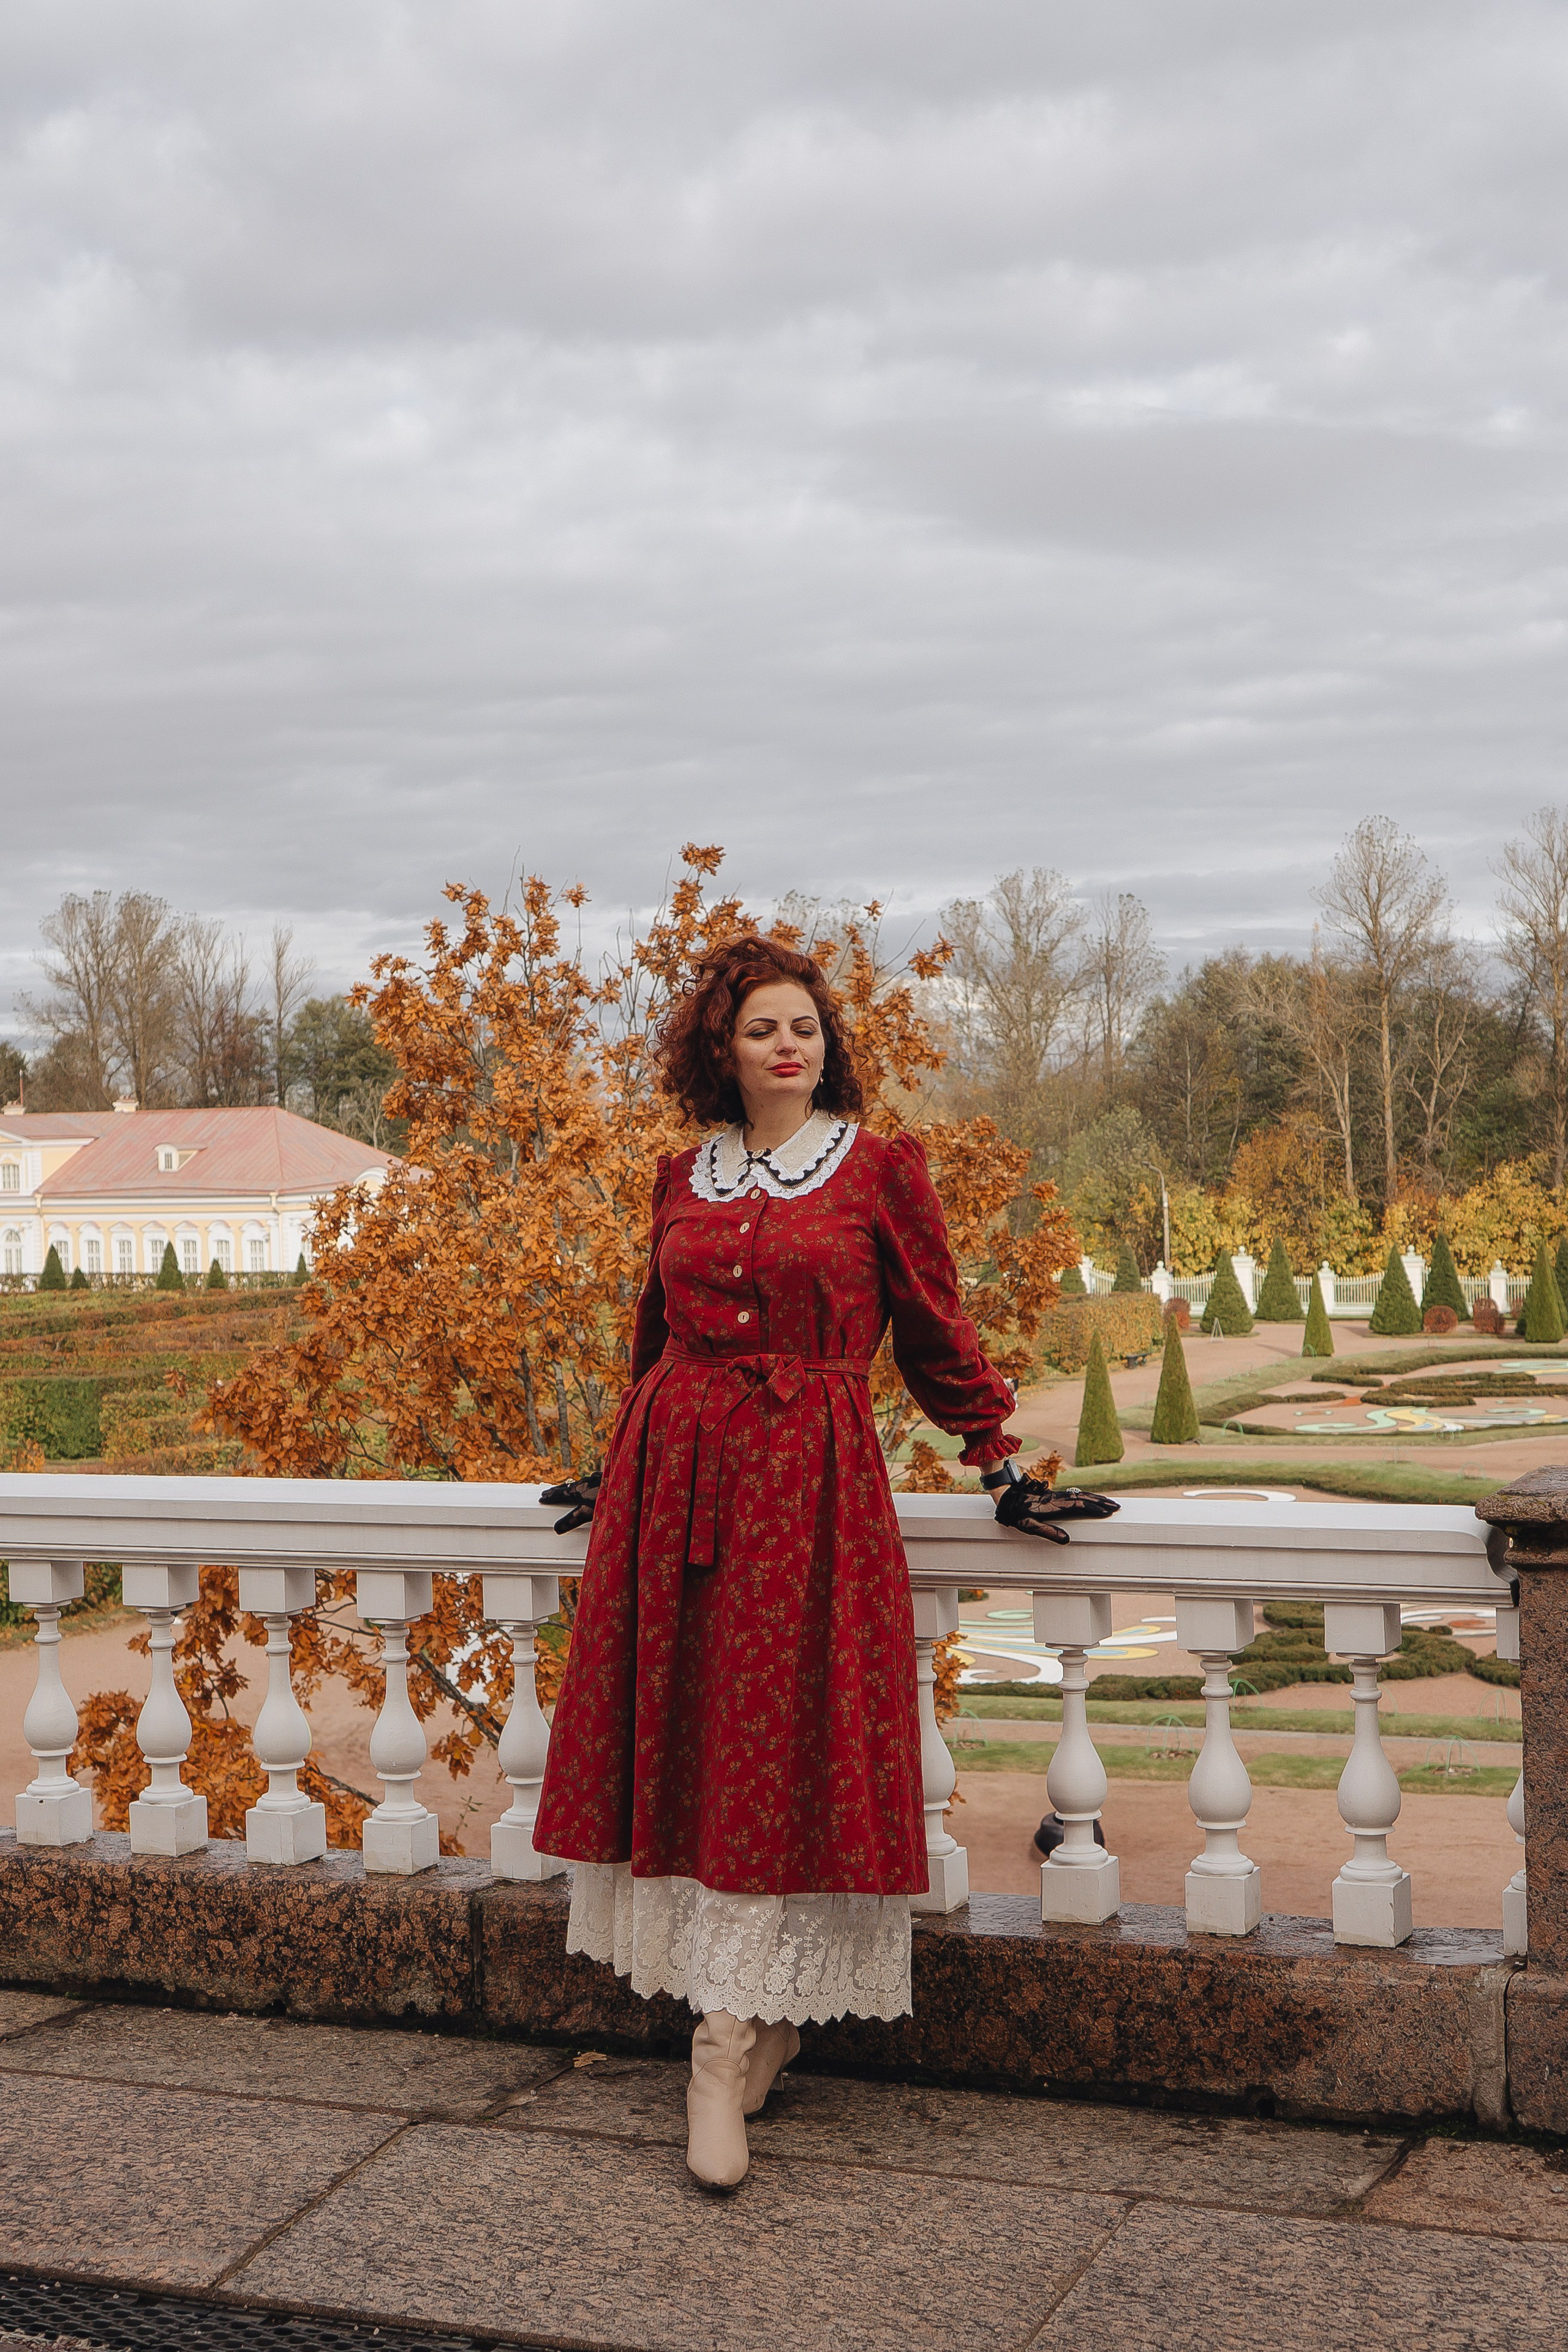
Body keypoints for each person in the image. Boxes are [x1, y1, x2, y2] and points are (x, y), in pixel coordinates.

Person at [533, 934, 1114, 2187]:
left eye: (803, 1025)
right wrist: (614, 1462)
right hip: (674, 1485)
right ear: (723, 1050)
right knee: (696, 1746)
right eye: (761, 1028)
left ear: (825, 1044)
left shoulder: (878, 1171)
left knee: (779, 1747)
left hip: (810, 1491)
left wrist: (997, 1460)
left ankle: (725, 2046)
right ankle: (745, 2031)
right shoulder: (679, 1175)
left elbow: (934, 1327)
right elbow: (652, 1335)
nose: (787, 1044)